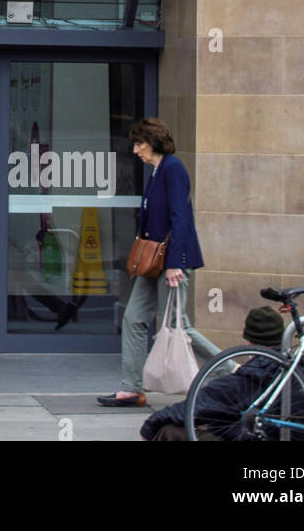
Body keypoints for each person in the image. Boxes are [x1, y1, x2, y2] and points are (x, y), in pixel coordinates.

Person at [97, 117, 220, 407]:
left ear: (152, 142)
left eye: (139, 144)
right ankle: (131, 388)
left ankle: (233, 369)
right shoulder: (157, 171)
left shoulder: (172, 169)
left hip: (171, 262)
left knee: (179, 325)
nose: (136, 150)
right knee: (134, 318)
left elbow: (180, 218)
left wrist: (176, 264)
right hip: (154, 262)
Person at [140, 306, 304, 440]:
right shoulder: (297, 367)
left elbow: (200, 405)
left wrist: (149, 427)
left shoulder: (254, 373)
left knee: (169, 431)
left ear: (248, 341)